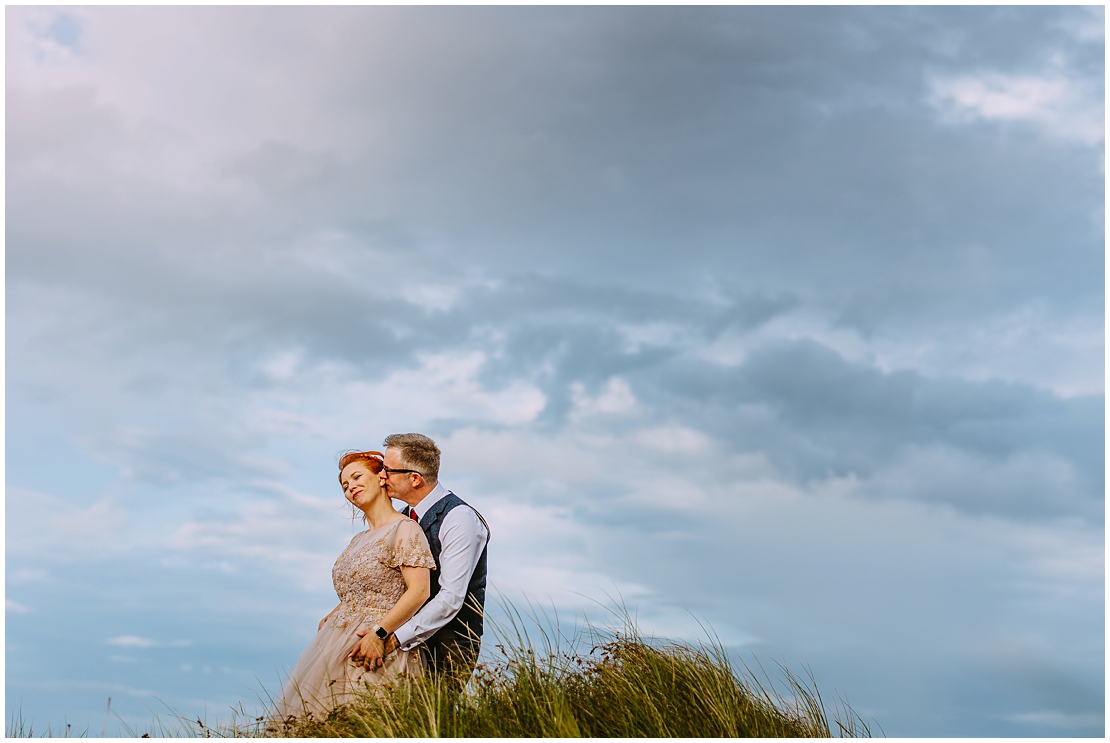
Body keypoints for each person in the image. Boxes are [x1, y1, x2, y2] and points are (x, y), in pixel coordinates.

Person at [272, 450, 436, 721]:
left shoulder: (405, 529)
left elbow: (420, 590)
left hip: (379, 645)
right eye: (345, 486)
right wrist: (337, 611)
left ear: (382, 477)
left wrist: (379, 633)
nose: (351, 488)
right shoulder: (358, 539)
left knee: (366, 720)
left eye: (357, 477)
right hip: (337, 642)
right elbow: (364, 586)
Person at [352, 432, 490, 689]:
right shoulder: (403, 518)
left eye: (388, 470)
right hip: (399, 642)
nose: (381, 476)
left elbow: (451, 598)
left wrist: (392, 638)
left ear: (414, 479)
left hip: (447, 647)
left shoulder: (459, 518)